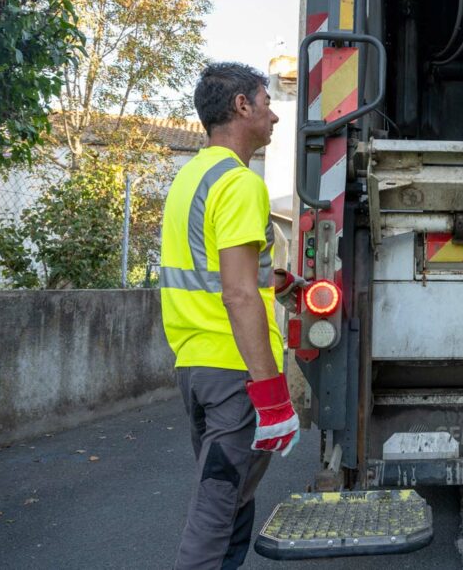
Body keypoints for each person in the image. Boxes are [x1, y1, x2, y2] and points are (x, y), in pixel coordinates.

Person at [160, 62, 300, 569]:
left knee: (235, 497)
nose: (275, 118)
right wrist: (273, 398)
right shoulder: (241, 184)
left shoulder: (191, 176)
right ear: (242, 106)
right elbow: (237, 295)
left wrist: (275, 282)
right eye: (267, 103)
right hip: (233, 371)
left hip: (196, 364)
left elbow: (213, 273)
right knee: (217, 508)